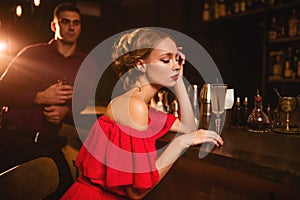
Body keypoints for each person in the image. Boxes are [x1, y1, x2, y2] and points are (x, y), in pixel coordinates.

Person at [61, 27, 223, 200]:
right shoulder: (134, 107)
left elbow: (188, 127)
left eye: (177, 59)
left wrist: (179, 82)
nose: (175, 65)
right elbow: (136, 192)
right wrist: (180, 143)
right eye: (166, 60)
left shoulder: (139, 105)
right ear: (140, 64)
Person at [0, 3, 86, 199]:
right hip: (11, 142)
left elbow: (86, 106)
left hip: (48, 145)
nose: (71, 27)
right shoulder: (31, 53)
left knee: (66, 193)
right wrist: (38, 97)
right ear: (54, 26)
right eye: (65, 22)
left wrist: (65, 112)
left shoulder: (86, 63)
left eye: (76, 23)